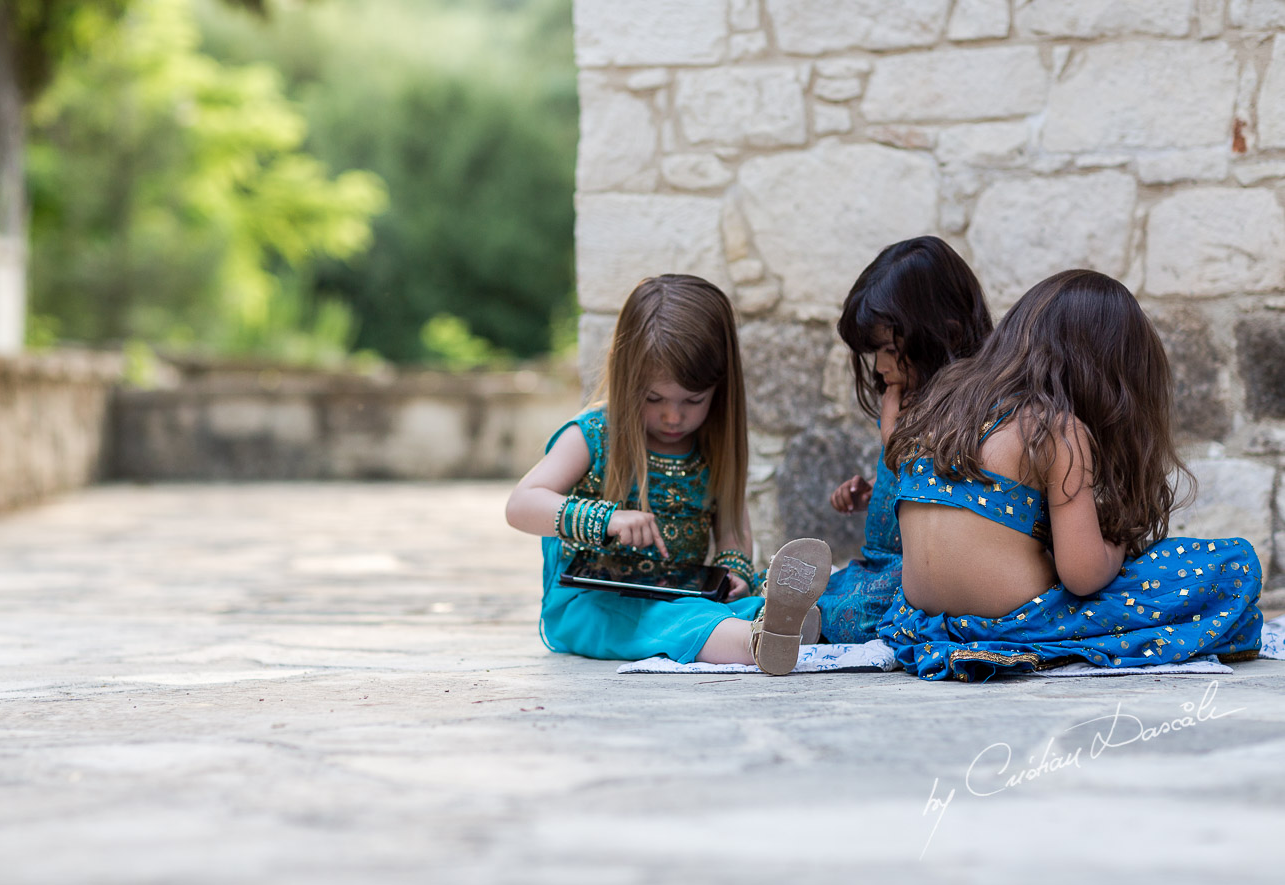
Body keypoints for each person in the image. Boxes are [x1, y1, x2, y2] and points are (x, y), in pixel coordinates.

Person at [878, 269, 1263, 681]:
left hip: (921, 622)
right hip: (1015, 624)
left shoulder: (941, 403)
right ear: (1106, 373)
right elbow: (1081, 576)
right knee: (1232, 565)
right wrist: (1116, 544)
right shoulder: (1054, 428)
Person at [505, 274, 829, 672]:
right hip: (591, 605)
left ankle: (780, 624)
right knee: (670, 619)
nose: (673, 416)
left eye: (693, 400)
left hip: (684, 593)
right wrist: (608, 519)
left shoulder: (713, 449)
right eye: (654, 398)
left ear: (720, 389)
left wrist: (733, 572)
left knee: (735, 602)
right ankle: (756, 642)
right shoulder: (592, 434)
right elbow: (521, 504)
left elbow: (732, 534)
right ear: (627, 381)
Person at [819, 236, 993, 644]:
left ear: (945, 336)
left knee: (851, 612)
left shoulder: (970, 410)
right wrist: (872, 491)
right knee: (815, 587)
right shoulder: (908, 395)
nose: (878, 367)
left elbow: (945, 501)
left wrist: (897, 445)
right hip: (880, 563)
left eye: (888, 349)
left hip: (922, 570)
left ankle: (813, 620)